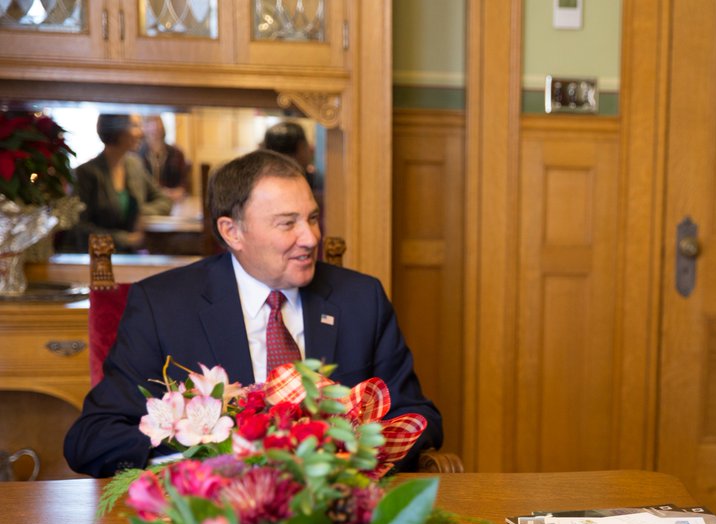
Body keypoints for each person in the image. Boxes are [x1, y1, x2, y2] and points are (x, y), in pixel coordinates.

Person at [64, 149, 442, 477]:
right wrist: (209, 449)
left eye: (312, 218)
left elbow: (420, 418)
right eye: (287, 223)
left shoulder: (361, 299)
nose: (311, 238)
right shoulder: (163, 307)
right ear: (232, 232)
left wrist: (348, 450)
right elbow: (92, 438)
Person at [62, 114, 174, 252]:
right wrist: (124, 239)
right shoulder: (86, 173)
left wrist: (140, 212)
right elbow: (77, 227)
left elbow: (163, 200)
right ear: (117, 131)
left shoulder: (134, 165)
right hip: (98, 259)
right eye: (135, 126)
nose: (142, 132)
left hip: (130, 258)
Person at [137, 114, 191, 203]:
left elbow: (183, 185)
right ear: (144, 128)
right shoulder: (136, 155)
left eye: (157, 122)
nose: (155, 127)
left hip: (173, 201)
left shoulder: (177, 153)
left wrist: (175, 192)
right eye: (150, 123)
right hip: (146, 201)